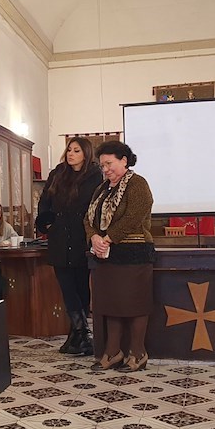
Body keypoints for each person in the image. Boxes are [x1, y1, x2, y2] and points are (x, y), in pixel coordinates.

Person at [84, 141, 155, 373]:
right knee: (111, 304)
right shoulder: (102, 188)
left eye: (109, 164)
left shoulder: (138, 184)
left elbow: (135, 215)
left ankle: (138, 353)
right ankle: (113, 353)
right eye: (102, 165)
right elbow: (88, 217)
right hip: (106, 255)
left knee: (134, 305)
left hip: (134, 254)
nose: (105, 169)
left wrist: (108, 238)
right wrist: (94, 236)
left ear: (124, 160)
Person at [36, 137, 102, 355]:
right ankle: (81, 334)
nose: (71, 153)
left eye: (76, 150)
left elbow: (94, 206)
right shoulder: (58, 173)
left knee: (82, 287)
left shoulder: (94, 175)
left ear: (85, 153)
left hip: (81, 236)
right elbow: (44, 200)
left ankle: (77, 337)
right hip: (59, 238)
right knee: (66, 286)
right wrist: (46, 220)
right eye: (69, 150)